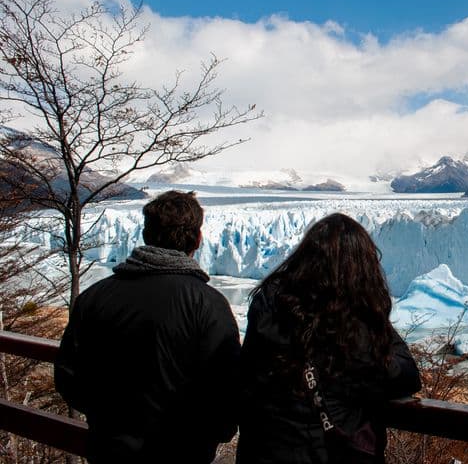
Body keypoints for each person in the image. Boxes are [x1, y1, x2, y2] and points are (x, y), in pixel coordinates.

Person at [55, 190, 240, 463]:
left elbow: (68, 376)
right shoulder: (209, 304)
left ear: (145, 234)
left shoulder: (95, 296)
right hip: (181, 453)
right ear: (198, 239)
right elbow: (226, 389)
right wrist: (209, 435)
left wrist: (108, 420)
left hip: (109, 450)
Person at [237, 213, 421, 464]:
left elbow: (244, 380)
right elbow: (405, 375)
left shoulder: (268, 309)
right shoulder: (352, 327)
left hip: (263, 452)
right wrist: (378, 322)